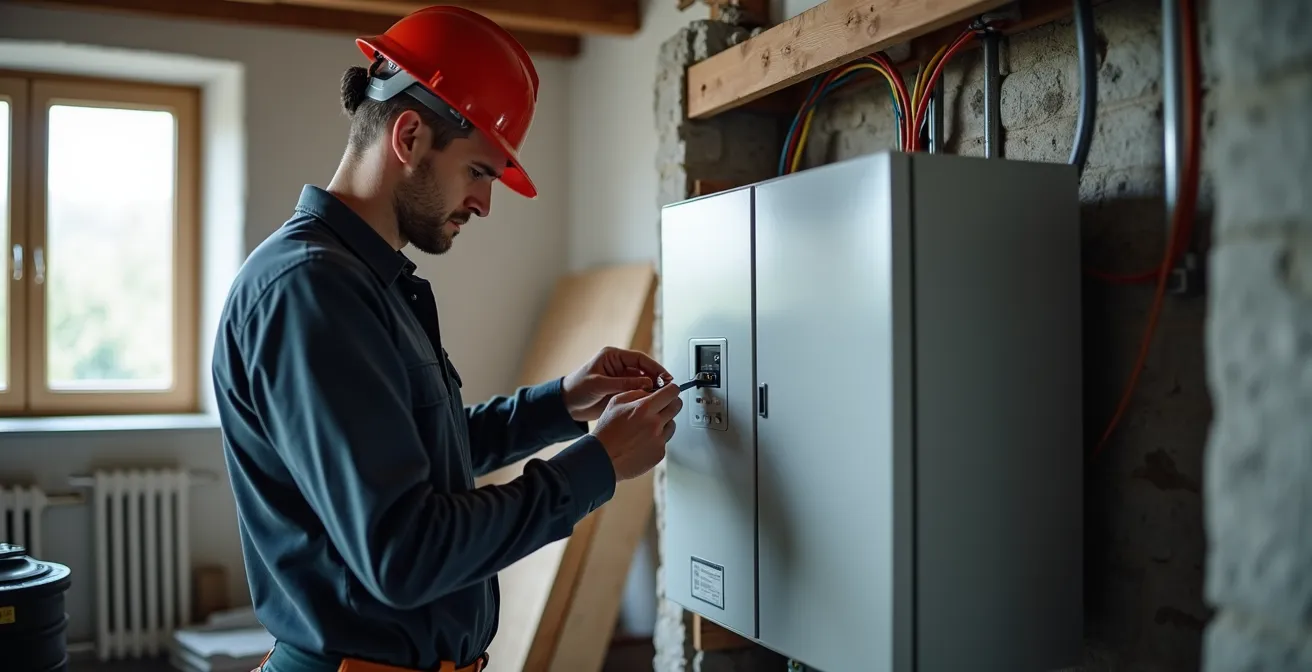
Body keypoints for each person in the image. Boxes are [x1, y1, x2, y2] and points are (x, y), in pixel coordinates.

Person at [210, 6, 683, 672]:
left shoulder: (365, 282)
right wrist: (597, 464)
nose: (485, 203)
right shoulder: (311, 291)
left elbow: (422, 456)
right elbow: (407, 553)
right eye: (479, 172)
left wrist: (561, 404)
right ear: (409, 135)